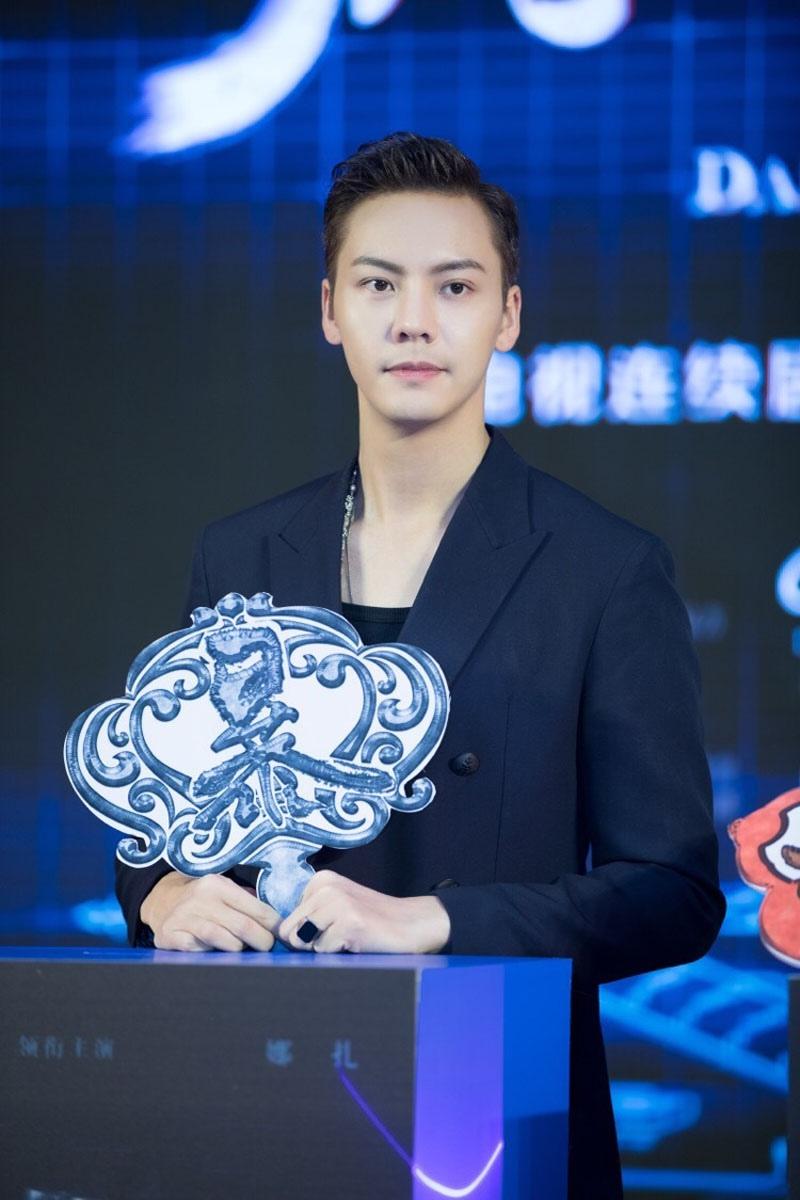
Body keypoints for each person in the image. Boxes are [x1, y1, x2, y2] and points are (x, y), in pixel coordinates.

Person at [115, 131, 725, 1197]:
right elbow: (165, 809)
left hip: (489, 1107)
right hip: (262, 1095)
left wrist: (432, 923)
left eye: (454, 286)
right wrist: (160, 891)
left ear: (508, 316)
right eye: (377, 284)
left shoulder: (604, 567)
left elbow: (673, 892)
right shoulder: (241, 553)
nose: (412, 320)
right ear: (329, 310)